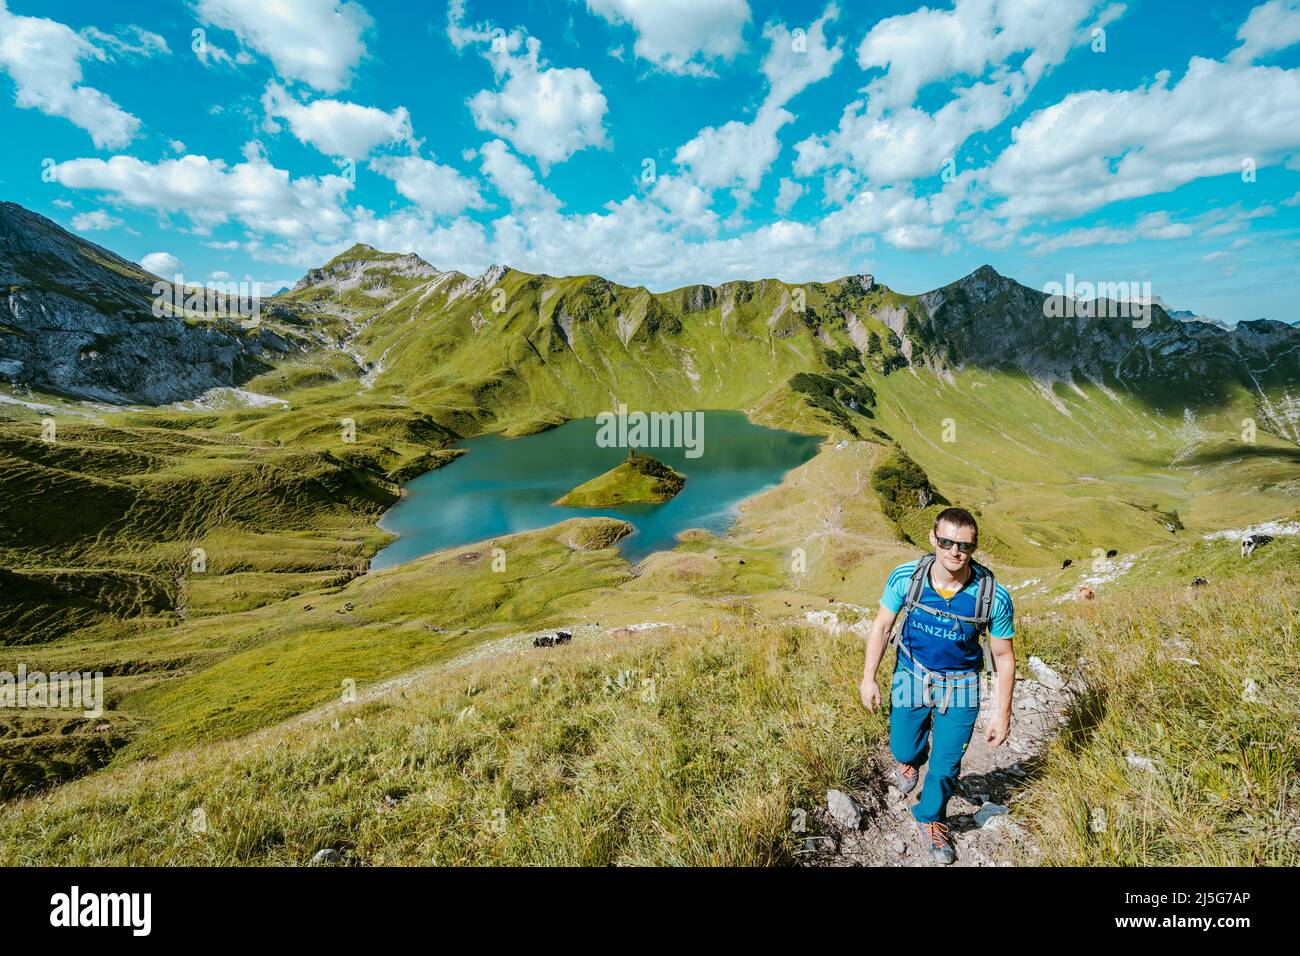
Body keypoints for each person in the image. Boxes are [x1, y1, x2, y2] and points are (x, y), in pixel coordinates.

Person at [859, 507, 1016, 864]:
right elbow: (882, 626)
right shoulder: (907, 577)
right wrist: (868, 677)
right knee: (901, 746)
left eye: (964, 545)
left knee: (946, 767)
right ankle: (910, 760)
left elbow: (1003, 657)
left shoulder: (993, 596)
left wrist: (1002, 713)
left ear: (974, 547)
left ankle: (930, 816)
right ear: (933, 538)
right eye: (946, 541)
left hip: (962, 687)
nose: (954, 551)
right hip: (910, 674)